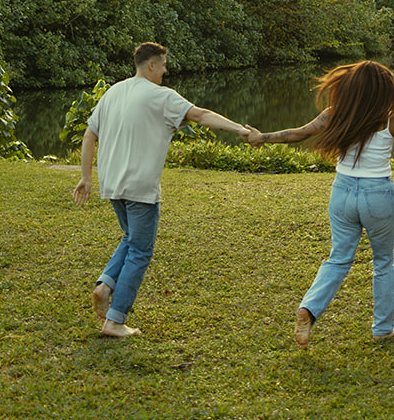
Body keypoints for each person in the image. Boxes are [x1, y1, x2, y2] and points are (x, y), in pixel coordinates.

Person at [246, 60, 394, 347]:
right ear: (386, 90)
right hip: (378, 195)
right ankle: (382, 328)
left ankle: (309, 309)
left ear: (351, 86)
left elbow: (299, 133)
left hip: (343, 193)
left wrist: (263, 137)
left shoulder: (335, 114)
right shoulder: (391, 120)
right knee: (383, 261)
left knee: (338, 258)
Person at [72, 41, 256, 338]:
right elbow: (201, 115)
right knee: (141, 250)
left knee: (131, 238)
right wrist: (242, 130)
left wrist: (86, 177)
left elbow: (89, 134)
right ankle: (115, 320)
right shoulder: (161, 96)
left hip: (113, 185)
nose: (166, 71)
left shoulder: (114, 91)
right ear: (151, 65)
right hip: (140, 187)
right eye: (164, 65)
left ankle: (105, 285)